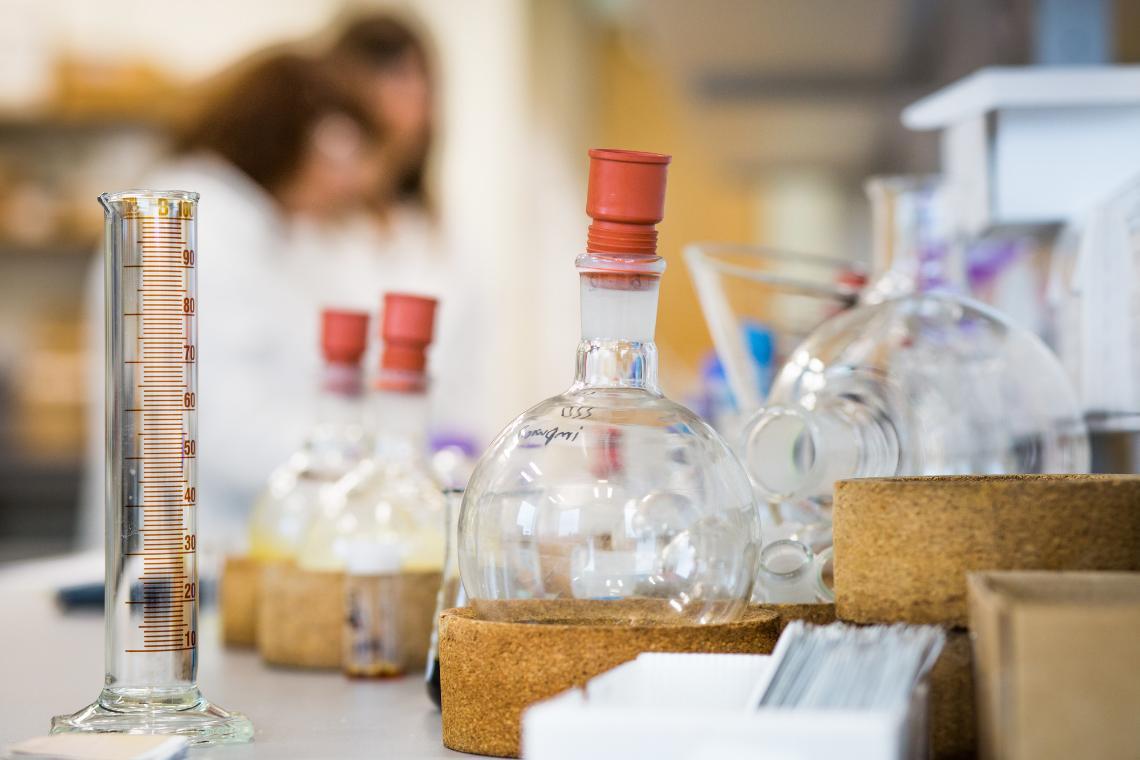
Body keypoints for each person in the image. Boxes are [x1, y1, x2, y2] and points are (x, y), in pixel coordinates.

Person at [79, 52, 385, 549]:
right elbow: (217, 429)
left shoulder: (265, 230)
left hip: (241, 547)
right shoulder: (192, 222)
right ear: (296, 139)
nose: (356, 182)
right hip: (190, 555)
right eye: (346, 155)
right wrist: (366, 457)